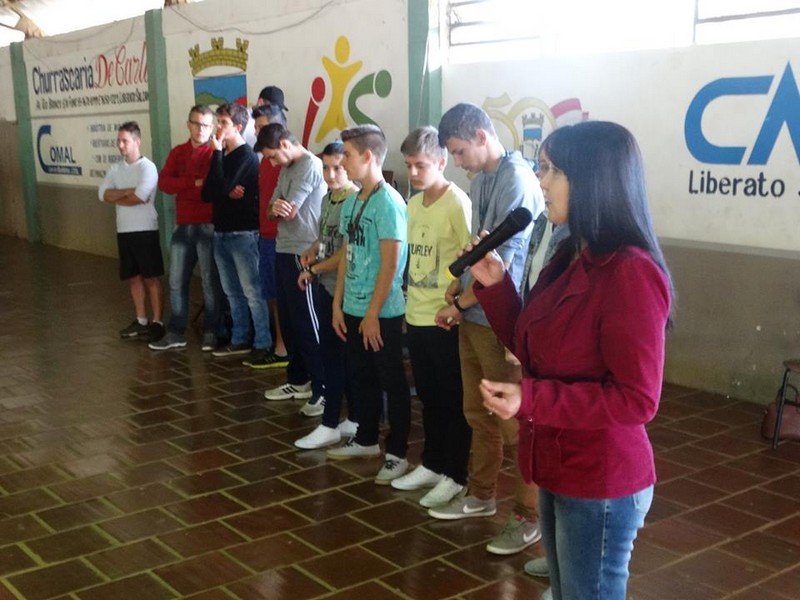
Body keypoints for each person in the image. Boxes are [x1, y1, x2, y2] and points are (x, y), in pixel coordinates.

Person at [473, 121, 673, 600]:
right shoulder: (571, 254)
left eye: (555, 171)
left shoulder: (630, 273)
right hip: (558, 461)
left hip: (600, 476)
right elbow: (536, 347)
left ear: (594, 181)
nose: (542, 182)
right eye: (544, 169)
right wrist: (497, 287)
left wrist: (530, 398)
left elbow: (636, 400)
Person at [429, 102, 544, 558]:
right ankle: (481, 494)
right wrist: (456, 289)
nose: (456, 162)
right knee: (479, 413)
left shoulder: (515, 180)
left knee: (516, 424)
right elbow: (479, 248)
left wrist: (462, 303)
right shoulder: (482, 180)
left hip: (499, 319)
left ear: (480, 135)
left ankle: (528, 515)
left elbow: (505, 268)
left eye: (458, 151)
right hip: (474, 315)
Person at [389, 126, 473, 509]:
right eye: (409, 165)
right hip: (417, 311)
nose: (414, 173)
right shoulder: (413, 204)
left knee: (452, 397)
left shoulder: (457, 203)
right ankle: (433, 462)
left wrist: (457, 307)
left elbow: (472, 260)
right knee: (428, 395)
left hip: (445, 317)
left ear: (441, 162)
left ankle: (455, 473)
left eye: (421, 165)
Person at [326, 124, 411, 486]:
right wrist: (337, 303)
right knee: (361, 378)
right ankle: (365, 439)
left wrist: (374, 311)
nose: (342, 161)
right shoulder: (352, 200)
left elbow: (392, 264)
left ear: (367, 156)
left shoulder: (389, 202)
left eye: (346, 155)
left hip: (383, 311)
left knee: (391, 380)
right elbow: (347, 253)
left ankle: (397, 453)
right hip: (354, 306)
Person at [294, 141, 359, 449]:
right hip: (325, 286)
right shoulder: (327, 199)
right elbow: (324, 240)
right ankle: (350, 417)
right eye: (326, 168)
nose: (331, 175)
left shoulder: (354, 201)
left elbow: (346, 253)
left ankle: (331, 420)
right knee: (333, 355)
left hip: (343, 290)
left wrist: (315, 269)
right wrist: (311, 253)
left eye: (338, 168)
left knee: (338, 358)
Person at [256, 124, 326, 408]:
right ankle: (298, 380)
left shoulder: (310, 164)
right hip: (283, 247)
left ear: (285, 144)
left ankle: (322, 387)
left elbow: (290, 208)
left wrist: (278, 208)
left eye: (273, 156)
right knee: (288, 319)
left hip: (305, 251)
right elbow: (272, 208)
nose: (272, 163)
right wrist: (276, 208)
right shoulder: (286, 168)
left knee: (307, 322)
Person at [149, 105, 225, 352]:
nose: (201, 129)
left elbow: (210, 190)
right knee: (176, 280)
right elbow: (164, 183)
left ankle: (212, 331)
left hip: (209, 224)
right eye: (196, 123)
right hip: (183, 225)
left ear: (212, 127)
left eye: (205, 125)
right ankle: (176, 332)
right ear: (188, 124)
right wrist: (192, 183)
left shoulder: (216, 153)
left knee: (209, 282)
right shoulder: (178, 152)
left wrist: (188, 187)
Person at [201, 103, 274, 363]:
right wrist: (224, 188)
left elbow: (222, 185)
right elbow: (208, 192)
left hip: (243, 233)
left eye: (223, 123)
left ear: (238, 127)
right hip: (221, 231)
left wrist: (223, 184)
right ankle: (239, 338)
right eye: (217, 122)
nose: (217, 128)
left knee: (252, 291)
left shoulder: (245, 156)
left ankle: (263, 341)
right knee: (231, 291)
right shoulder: (221, 156)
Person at [99, 121, 164, 342]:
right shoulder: (116, 168)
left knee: (151, 277)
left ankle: (157, 321)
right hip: (124, 230)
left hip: (145, 229)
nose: (120, 145)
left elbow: (141, 197)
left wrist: (120, 195)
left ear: (137, 141)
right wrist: (127, 193)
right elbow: (103, 194)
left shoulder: (148, 167)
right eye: (118, 141)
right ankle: (141, 318)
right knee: (133, 277)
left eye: (125, 141)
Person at [251, 104, 290, 365]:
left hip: (283, 238)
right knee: (271, 294)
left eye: (262, 128)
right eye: (255, 128)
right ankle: (280, 346)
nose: (257, 133)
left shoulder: (288, 163)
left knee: (284, 296)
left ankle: (285, 348)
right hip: (264, 234)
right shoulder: (265, 161)